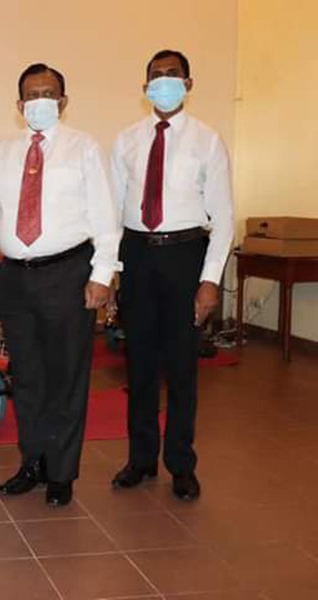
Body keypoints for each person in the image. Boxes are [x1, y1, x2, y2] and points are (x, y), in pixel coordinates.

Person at [0, 63, 121, 507]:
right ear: (19, 106)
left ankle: (62, 472)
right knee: (29, 378)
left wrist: (102, 276)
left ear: (63, 101)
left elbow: (105, 219)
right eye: (31, 95)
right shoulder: (1, 152)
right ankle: (32, 462)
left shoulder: (84, 149)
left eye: (48, 93)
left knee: (67, 378)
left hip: (67, 274)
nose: (40, 101)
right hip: (15, 277)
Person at [110, 50, 234, 501]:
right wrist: (113, 271)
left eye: (172, 75)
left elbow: (223, 217)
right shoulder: (125, 141)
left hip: (186, 256)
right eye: (155, 77)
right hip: (138, 254)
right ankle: (141, 459)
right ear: (144, 88)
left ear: (188, 82)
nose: (164, 82)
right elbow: (112, 210)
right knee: (139, 363)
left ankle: (181, 463)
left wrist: (209, 279)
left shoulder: (207, 141)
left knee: (181, 367)